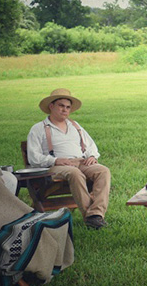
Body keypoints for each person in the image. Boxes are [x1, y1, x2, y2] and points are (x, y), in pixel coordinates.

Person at [27, 88, 111, 230]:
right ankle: (91, 218)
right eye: (61, 106)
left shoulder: (75, 126)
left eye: (68, 107)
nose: (65, 110)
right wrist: (55, 160)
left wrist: (91, 156)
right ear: (51, 106)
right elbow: (33, 157)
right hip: (57, 166)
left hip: (81, 161)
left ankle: (96, 214)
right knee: (74, 173)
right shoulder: (39, 128)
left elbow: (91, 145)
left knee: (103, 171)